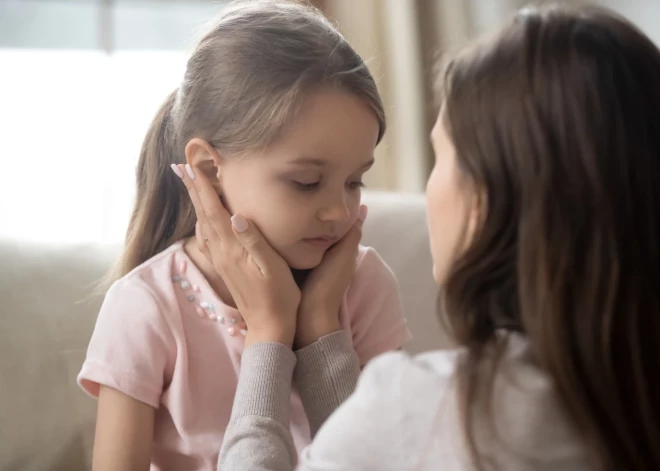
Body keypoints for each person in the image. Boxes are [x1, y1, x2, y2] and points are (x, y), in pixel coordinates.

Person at [177, 3, 660, 470]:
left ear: (486, 199)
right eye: (307, 182)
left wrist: (268, 334)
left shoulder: (428, 412)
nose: (341, 210)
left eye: (440, 158)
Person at [76, 1, 412, 469]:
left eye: (355, 181)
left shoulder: (363, 286)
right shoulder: (146, 307)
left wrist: (321, 328)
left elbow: (381, 461)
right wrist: (272, 331)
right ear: (210, 169)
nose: (339, 211)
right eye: (306, 183)